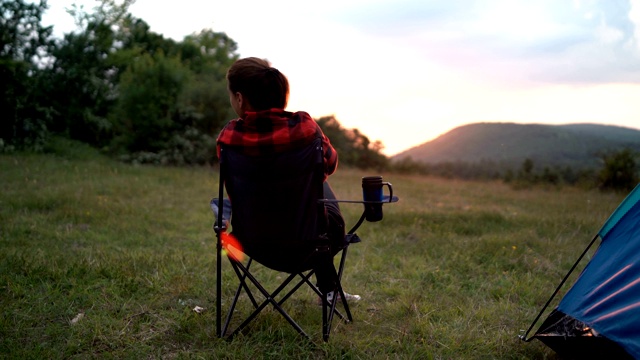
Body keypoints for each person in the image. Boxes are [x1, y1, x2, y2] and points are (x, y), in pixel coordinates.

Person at [216, 57, 357, 301]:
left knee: (308, 191)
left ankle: (331, 288)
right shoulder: (305, 128)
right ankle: (331, 290)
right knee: (317, 184)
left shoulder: (229, 138)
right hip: (312, 241)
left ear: (240, 98)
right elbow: (331, 164)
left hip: (252, 241)